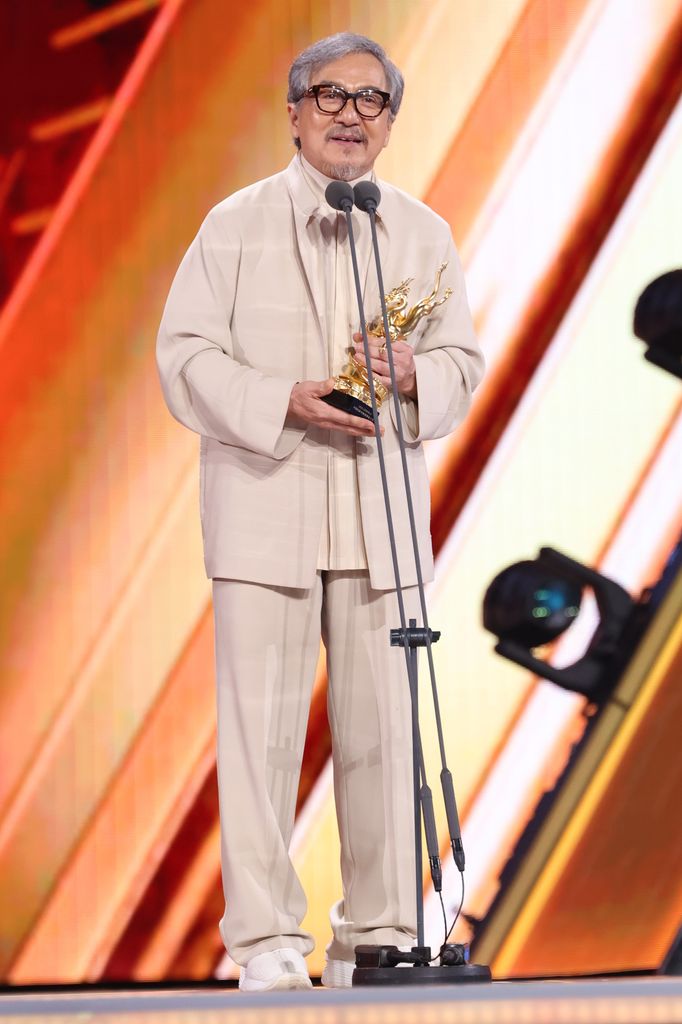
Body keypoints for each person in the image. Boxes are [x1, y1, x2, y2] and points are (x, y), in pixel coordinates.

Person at [156, 32, 483, 992]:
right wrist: (278, 402)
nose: (350, 115)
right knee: (257, 736)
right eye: (330, 96)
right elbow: (184, 356)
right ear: (293, 112)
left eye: (370, 101)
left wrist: (419, 373)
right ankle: (264, 944)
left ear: (389, 123)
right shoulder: (235, 223)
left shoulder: (422, 232)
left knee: (385, 733)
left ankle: (374, 938)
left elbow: (464, 363)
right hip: (267, 500)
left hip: (378, 514)